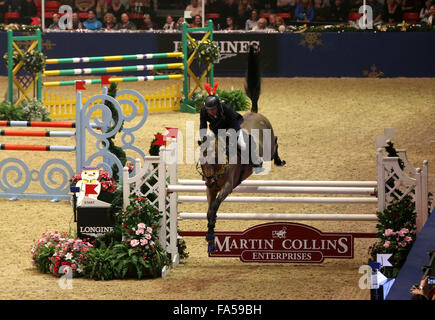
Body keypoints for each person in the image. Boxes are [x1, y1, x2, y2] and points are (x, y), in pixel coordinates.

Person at [199, 82, 263, 170]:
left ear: (218, 106)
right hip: (216, 128)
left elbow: (234, 124)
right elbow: (203, 125)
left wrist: (231, 137)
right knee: (206, 145)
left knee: (242, 144)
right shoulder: (203, 111)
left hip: (232, 126)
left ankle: (256, 160)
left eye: (213, 109)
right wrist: (203, 138)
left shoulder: (226, 109)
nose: (211, 111)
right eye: (209, 110)